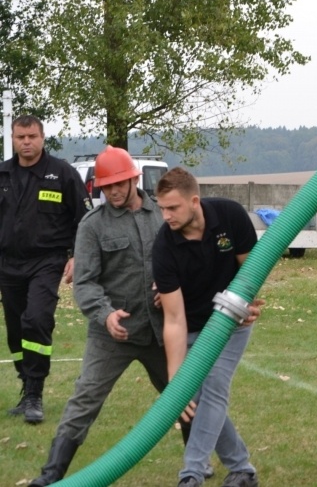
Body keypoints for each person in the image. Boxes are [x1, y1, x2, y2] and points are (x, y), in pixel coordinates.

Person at [28, 146, 203, 486]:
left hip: (160, 330)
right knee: (84, 399)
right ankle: (51, 475)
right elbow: (86, 282)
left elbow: (186, 256)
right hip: (112, 333)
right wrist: (106, 315)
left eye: (120, 184)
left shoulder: (162, 215)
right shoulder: (92, 225)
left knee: (185, 394)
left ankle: (196, 465)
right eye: (107, 187)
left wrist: (169, 286)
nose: (114, 192)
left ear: (134, 179)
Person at [153, 167, 260, 487]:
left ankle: (192, 474)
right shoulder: (164, 247)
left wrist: (249, 302)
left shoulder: (230, 216)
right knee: (194, 395)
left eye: (172, 208)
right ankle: (242, 468)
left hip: (230, 322)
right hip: (191, 324)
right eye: (161, 208)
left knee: (213, 384)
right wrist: (176, 379)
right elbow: (173, 318)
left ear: (194, 201)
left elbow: (253, 267)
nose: (166, 216)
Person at [0, 115, 92, 425]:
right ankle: (26, 386)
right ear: (13, 138)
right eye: (20, 136)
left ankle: (36, 393)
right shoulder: (2, 174)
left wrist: (78, 255)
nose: (26, 142)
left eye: (32, 136)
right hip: (8, 263)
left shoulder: (62, 173)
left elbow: (86, 219)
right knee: (16, 330)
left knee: (37, 319)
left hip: (47, 261)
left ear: (42, 138)